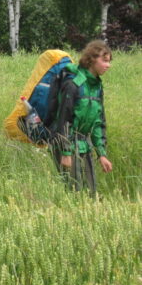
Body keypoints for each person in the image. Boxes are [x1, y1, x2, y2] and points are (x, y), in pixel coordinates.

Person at [50, 40, 113, 194]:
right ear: (91, 59)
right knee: (74, 192)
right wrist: (65, 152)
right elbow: (64, 119)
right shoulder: (74, 84)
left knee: (91, 192)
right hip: (66, 144)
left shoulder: (97, 87)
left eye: (109, 61)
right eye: (104, 60)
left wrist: (102, 154)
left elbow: (98, 122)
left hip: (84, 144)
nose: (108, 65)